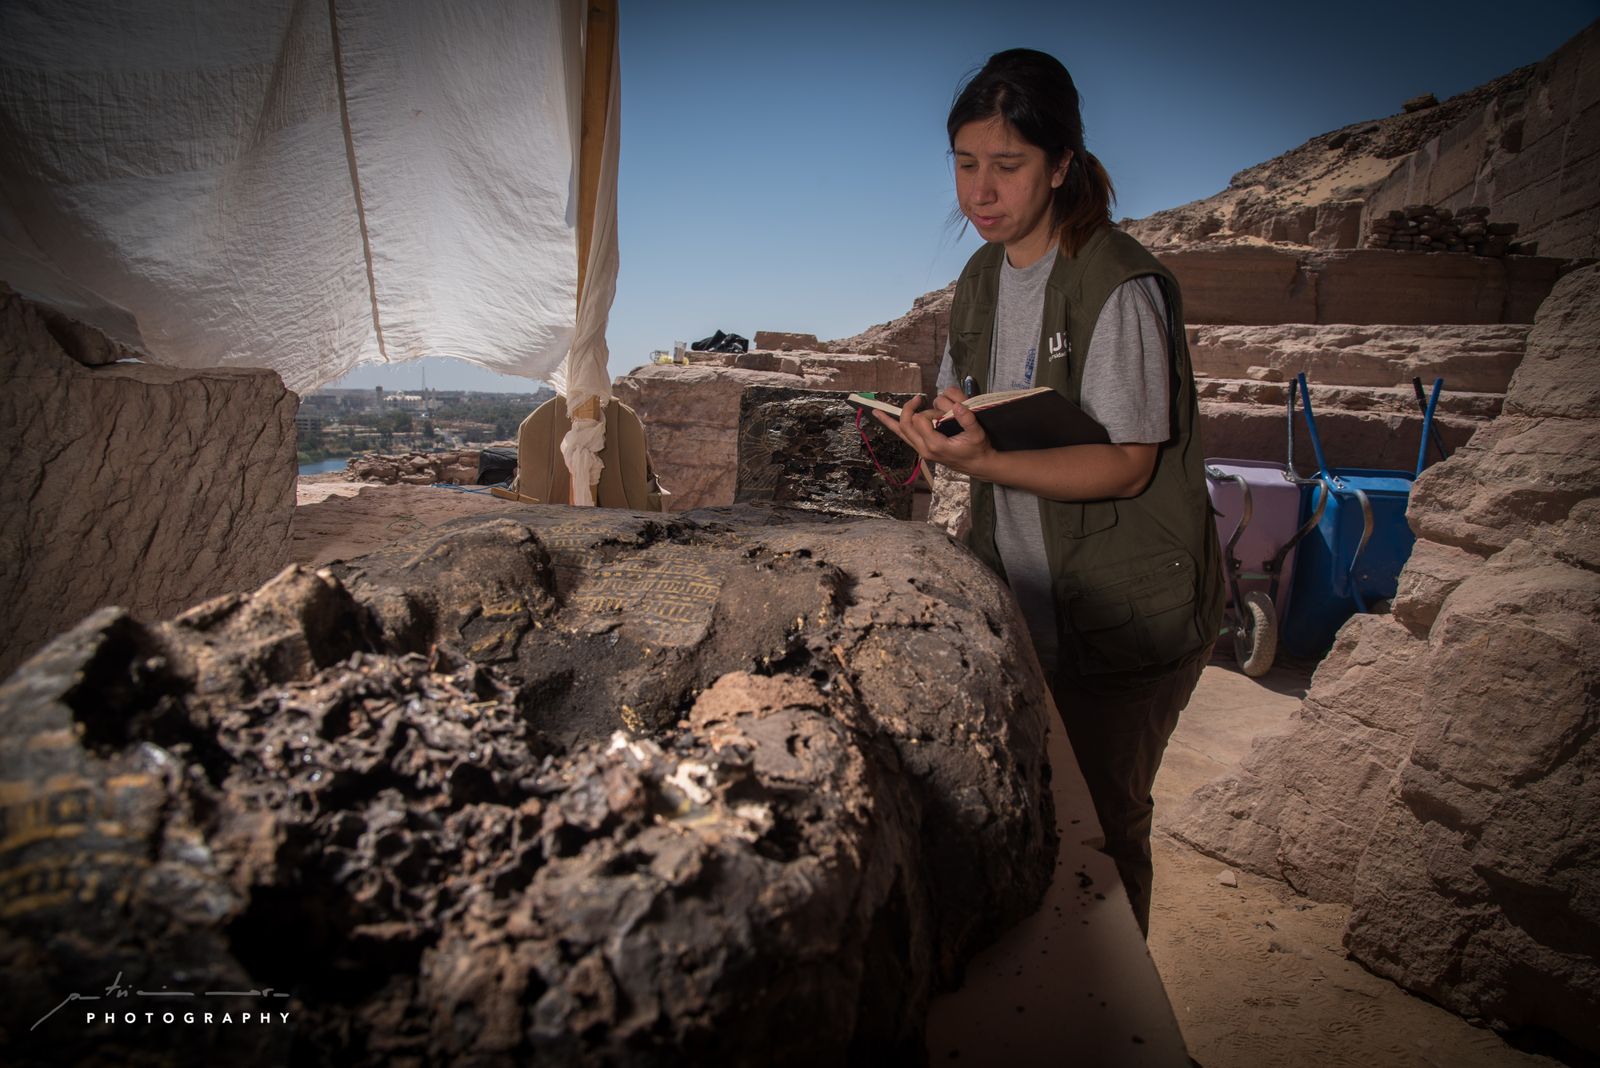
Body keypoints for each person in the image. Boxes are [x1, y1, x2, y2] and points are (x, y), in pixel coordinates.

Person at [875, 48, 1223, 936]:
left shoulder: (1117, 282)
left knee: (1103, 834)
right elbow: (974, 411)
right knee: (1026, 811)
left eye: (1007, 166)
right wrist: (934, 430)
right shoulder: (982, 279)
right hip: (1025, 598)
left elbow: (1128, 466)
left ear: (1060, 165)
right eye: (964, 164)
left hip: (1124, 614)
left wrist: (981, 464)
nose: (979, 192)